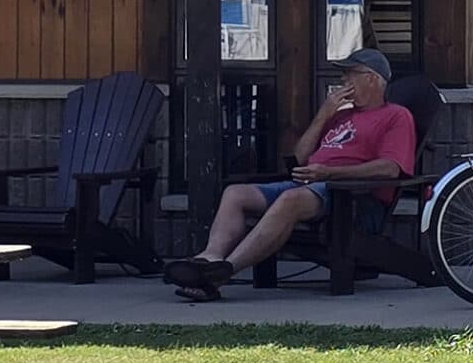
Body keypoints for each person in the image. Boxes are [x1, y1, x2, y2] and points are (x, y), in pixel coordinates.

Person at [165, 49, 416, 300]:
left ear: (371, 78)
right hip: (312, 185)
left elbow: (390, 168)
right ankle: (209, 259)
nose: (343, 81)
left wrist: (330, 173)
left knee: (290, 200)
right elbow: (300, 158)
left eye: (350, 75)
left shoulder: (396, 116)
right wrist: (323, 115)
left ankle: (226, 271)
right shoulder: (340, 115)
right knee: (235, 194)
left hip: (352, 199)